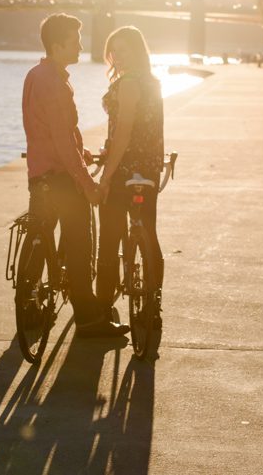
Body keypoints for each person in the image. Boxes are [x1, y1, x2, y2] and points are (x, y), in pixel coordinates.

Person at [22, 13, 130, 338]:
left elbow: (48, 132)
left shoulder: (36, 75)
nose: (82, 45)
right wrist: (88, 183)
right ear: (57, 45)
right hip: (60, 178)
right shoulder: (54, 82)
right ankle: (88, 320)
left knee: (38, 236)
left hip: (39, 173)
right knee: (79, 243)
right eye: (75, 40)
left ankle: (27, 308)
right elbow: (62, 138)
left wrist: (81, 152)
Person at [96, 26, 165, 326]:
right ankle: (153, 305)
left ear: (136, 51)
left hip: (124, 168)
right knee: (148, 230)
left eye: (123, 50)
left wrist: (106, 175)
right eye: (114, 51)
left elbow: (123, 132)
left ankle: (100, 313)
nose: (118, 57)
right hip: (149, 167)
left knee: (110, 239)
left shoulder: (127, 84)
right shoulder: (153, 82)